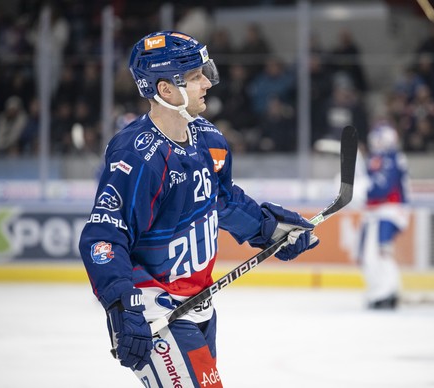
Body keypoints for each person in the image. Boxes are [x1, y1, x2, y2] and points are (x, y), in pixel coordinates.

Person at [78, 31, 319, 387]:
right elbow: (105, 237)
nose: (206, 82)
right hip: (156, 306)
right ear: (165, 90)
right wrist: (122, 305)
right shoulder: (138, 156)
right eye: (194, 77)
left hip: (200, 303)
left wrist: (269, 230)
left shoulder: (208, 139)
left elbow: (222, 201)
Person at [358, 122, 409, 309]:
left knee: (379, 252)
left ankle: (386, 291)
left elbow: (382, 187)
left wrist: (364, 187)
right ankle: (382, 291)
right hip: (375, 213)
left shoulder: (392, 158)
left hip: (388, 210)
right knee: (369, 254)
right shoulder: (377, 158)